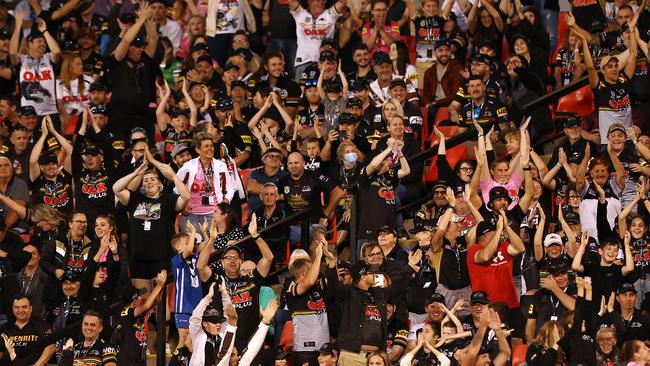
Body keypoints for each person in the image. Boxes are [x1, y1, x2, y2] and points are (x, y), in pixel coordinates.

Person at [113, 151, 190, 290]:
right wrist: (136, 173)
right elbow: (116, 188)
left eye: (153, 179)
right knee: (144, 300)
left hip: (163, 257)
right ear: (142, 186)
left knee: (161, 301)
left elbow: (185, 196)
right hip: (138, 259)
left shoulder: (168, 200)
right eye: (146, 180)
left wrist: (173, 175)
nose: (149, 182)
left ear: (160, 184)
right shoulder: (135, 199)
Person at [196, 215, 274, 351]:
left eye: (236, 257)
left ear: (241, 261)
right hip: (224, 343)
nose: (232, 260)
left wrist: (255, 236)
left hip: (251, 343)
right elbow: (201, 266)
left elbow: (269, 258)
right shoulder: (216, 279)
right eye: (228, 258)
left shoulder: (251, 277)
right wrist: (212, 240)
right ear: (222, 262)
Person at [176, 132, 235, 231]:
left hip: (213, 214)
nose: (210, 149)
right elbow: (177, 188)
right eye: (206, 146)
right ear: (198, 149)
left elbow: (229, 189)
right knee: (192, 244)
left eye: (211, 146)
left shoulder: (220, 166)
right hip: (191, 213)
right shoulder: (188, 167)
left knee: (212, 244)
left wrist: (224, 203)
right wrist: (182, 206)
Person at [189, 282, 238, 366]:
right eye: (214, 322)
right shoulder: (198, 335)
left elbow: (230, 314)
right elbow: (195, 318)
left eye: (219, 321)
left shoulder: (222, 332)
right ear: (204, 324)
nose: (218, 324)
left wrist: (225, 294)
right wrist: (208, 297)